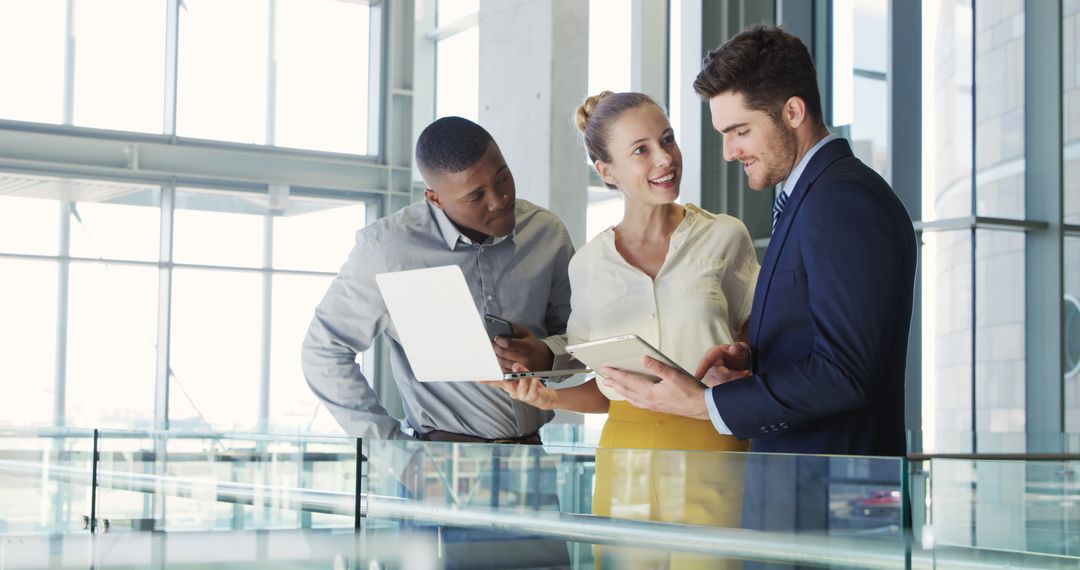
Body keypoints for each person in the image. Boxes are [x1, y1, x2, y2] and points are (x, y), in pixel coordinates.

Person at [600, 25, 917, 459]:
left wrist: (705, 404)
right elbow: (827, 341)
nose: (729, 152)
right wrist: (754, 361)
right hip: (805, 489)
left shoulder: (841, 201)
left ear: (792, 112)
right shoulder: (810, 197)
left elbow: (844, 373)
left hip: (829, 497)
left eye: (740, 131)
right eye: (724, 135)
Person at [487, 91, 758, 569]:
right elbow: (611, 389)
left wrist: (744, 362)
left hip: (713, 447)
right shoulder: (590, 265)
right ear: (606, 171)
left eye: (667, 140)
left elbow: (759, 347)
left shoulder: (725, 236)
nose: (665, 158)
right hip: (625, 457)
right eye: (641, 149)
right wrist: (552, 399)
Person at [301, 116, 575, 443]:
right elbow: (323, 350)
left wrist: (545, 355)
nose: (499, 199)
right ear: (435, 198)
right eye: (476, 196)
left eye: (503, 177)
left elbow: (580, 340)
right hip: (440, 462)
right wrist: (392, 453)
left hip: (534, 459)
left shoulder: (545, 233)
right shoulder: (386, 250)